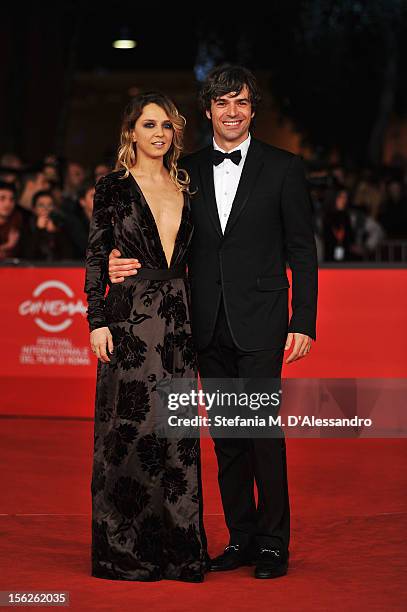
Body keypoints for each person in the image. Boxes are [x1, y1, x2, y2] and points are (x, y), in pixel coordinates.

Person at [108, 65, 318, 580]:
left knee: (262, 433)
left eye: (241, 103)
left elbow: (302, 252)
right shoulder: (189, 171)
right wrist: (118, 260)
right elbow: (161, 234)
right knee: (226, 437)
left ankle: (273, 543)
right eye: (222, 104)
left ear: (252, 109)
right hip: (203, 322)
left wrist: (304, 320)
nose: (232, 112)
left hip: (263, 321)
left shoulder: (285, 168)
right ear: (207, 112)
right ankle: (241, 537)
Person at [84, 92, 209, 582]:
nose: (160, 133)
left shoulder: (188, 187)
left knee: (176, 434)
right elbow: (97, 259)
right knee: (130, 432)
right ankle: (126, 550)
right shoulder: (112, 188)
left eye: (167, 126)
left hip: (179, 321)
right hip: (130, 320)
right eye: (149, 124)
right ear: (130, 132)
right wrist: (96, 320)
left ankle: (179, 549)